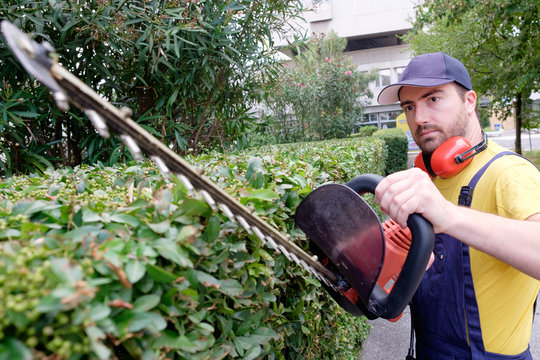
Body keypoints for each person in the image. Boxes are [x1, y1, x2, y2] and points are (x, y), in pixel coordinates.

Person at [375, 52, 540, 359]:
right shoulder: (428, 178)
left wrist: (450, 216)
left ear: (469, 101)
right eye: (409, 106)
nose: (419, 118)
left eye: (433, 99)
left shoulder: (508, 173)